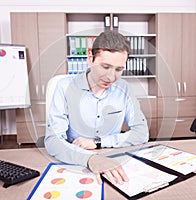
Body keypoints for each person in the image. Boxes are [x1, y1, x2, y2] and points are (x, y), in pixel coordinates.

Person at [45, 30, 149, 185]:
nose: (111, 77)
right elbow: (53, 140)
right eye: (105, 66)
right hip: (76, 160)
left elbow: (142, 133)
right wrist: (91, 158)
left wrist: (98, 142)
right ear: (90, 58)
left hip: (113, 160)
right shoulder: (64, 87)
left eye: (119, 69)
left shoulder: (124, 88)